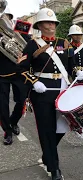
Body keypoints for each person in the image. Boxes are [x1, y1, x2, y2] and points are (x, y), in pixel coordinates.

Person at [18, 7, 83, 180]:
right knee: (46, 129)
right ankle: (54, 168)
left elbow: (70, 65)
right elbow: (22, 69)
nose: (51, 25)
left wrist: (77, 72)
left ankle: (48, 154)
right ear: (40, 25)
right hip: (42, 92)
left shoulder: (64, 42)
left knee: (64, 126)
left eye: (53, 22)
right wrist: (34, 82)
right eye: (48, 22)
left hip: (62, 90)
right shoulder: (32, 44)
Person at [0, 6, 29, 145]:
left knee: (22, 100)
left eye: (7, 17)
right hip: (1, 74)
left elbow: (29, 44)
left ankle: (14, 121)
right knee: (2, 105)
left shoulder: (20, 27)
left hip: (18, 72)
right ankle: (8, 131)